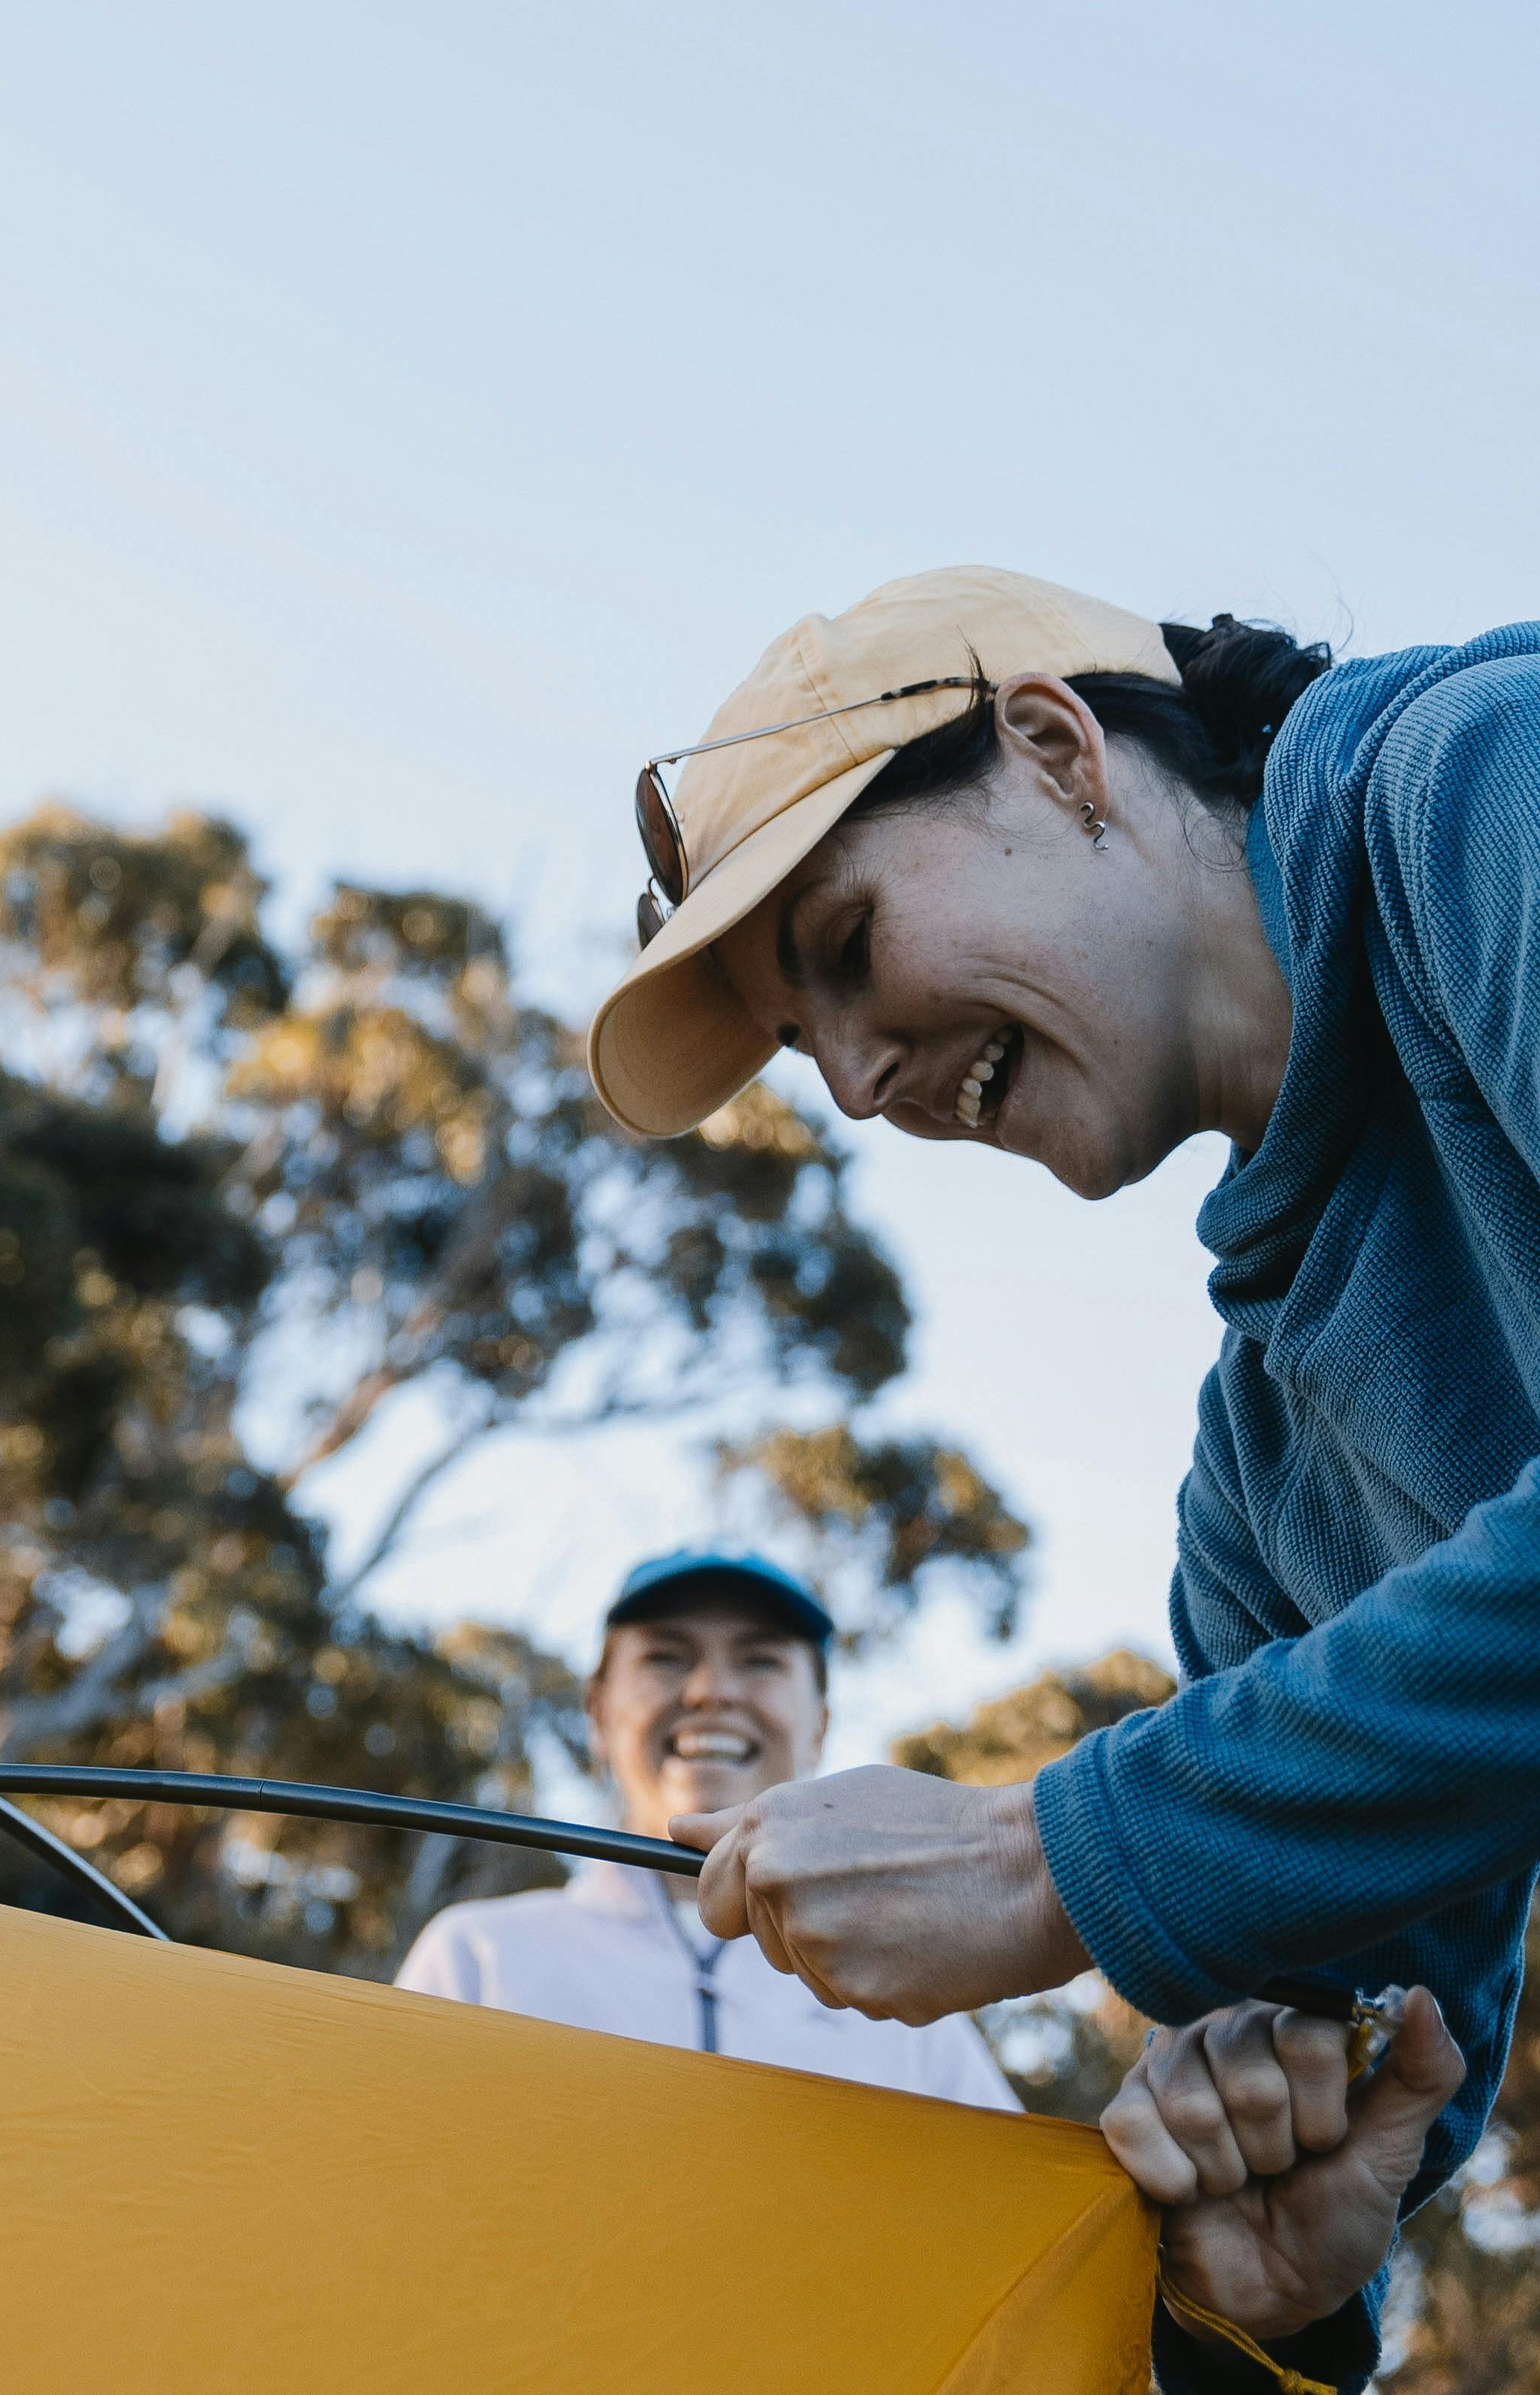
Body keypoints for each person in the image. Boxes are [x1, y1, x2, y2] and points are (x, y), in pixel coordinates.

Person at [585, 566, 1515, 2390]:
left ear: (1052, 744)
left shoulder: (1480, 783)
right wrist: (1277, 2272)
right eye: (802, 1047)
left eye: (847, 949)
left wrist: (1045, 1855)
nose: (853, 1084)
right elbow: (1376, 2054)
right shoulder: (1261, 1496)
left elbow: (1100, 1858)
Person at [397, 1551, 1015, 2106]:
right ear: (597, 1713)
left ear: (820, 1726)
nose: (711, 1691)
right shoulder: (476, 1961)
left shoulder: (902, 2012)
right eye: (666, 1658)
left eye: (760, 1661)